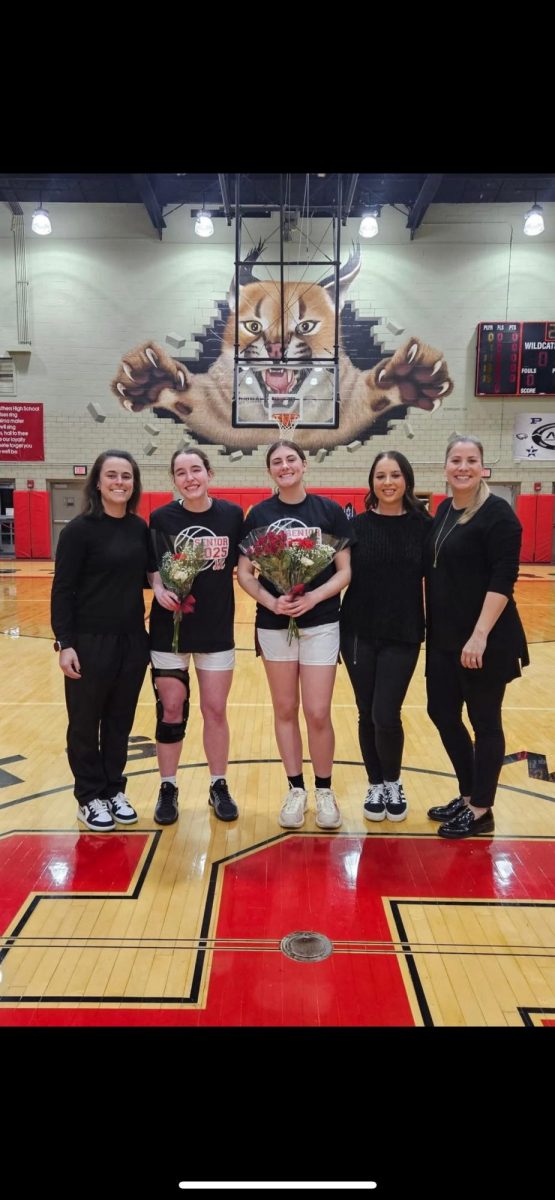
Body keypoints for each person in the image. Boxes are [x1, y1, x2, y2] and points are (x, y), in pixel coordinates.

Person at [237, 439, 354, 831]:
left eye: (291, 460)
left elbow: (343, 570)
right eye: (276, 462)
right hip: (275, 625)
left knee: (317, 712)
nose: (284, 466)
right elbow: (244, 573)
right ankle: (295, 789)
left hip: (320, 621)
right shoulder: (259, 514)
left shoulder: (329, 511)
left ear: (304, 465)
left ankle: (324, 790)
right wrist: (274, 603)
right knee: (285, 709)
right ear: (269, 470)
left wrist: (314, 596)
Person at [425, 435, 529, 839]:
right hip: (445, 638)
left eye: (471, 460)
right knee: (442, 712)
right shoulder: (444, 510)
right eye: (456, 460)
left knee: (485, 722)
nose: (462, 467)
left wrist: (480, 635)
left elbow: (504, 579)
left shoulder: (499, 515)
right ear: (446, 466)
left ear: (483, 466)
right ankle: (468, 793)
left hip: (485, 640)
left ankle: (481, 808)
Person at [51, 450, 150, 831]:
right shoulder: (79, 531)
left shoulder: (139, 528)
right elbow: (62, 591)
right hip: (89, 642)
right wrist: (65, 643)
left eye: (127, 476)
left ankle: (113, 789)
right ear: (97, 481)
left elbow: (147, 576)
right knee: (84, 722)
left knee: (119, 722)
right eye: (112, 475)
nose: (120, 482)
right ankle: (89, 796)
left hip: (131, 641)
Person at [148, 448, 243, 825]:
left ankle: (218, 784)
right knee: (171, 711)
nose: (190, 477)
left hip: (216, 628)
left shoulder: (232, 516)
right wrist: (157, 587)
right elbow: (153, 567)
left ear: (210, 473)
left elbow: (246, 565)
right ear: (174, 479)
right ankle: (168, 786)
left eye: (196, 470)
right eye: (181, 472)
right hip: (168, 630)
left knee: (214, 710)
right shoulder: (161, 517)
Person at [340, 451, 430, 823]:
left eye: (395, 475)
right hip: (358, 631)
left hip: (404, 632)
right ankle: (375, 783)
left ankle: (393, 780)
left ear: (406, 480)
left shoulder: (425, 526)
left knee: (386, 713)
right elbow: (335, 574)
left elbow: (442, 580)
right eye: (381, 476)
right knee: (366, 713)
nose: (388, 482)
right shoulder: (356, 527)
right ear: (371, 482)